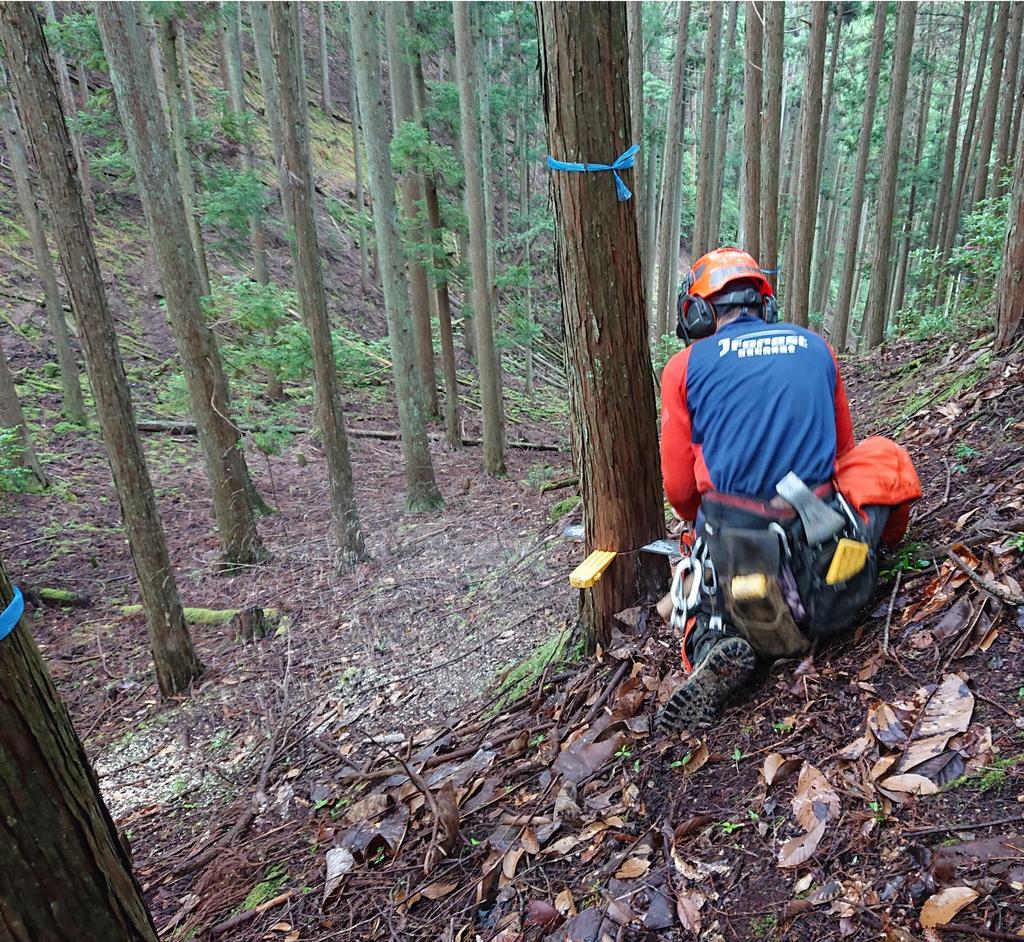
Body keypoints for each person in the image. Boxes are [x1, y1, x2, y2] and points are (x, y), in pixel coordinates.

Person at [656, 248, 920, 732]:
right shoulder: (816, 347)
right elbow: (842, 453)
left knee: (699, 551)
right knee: (883, 456)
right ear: (765, 303)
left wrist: (710, 516)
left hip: (740, 567)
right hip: (829, 582)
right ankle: (874, 549)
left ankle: (710, 640)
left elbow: (679, 491)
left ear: (697, 312)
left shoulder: (683, 368)